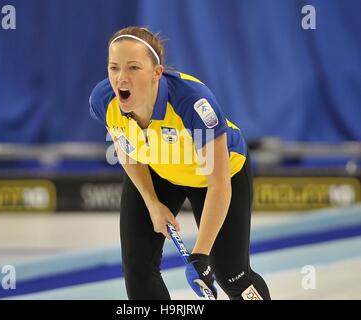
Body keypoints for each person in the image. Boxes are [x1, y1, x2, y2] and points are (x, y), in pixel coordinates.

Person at [89, 26, 271, 300]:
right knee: (138, 265)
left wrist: (200, 256)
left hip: (217, 177)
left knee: (231, 275)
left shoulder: (193, 103)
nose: (121, 78)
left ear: (156, 73)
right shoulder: (104, 100)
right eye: (113, 67)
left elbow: (219, 185)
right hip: (160, 171)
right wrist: (152, 204)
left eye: (134, 68)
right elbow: (126, 148)